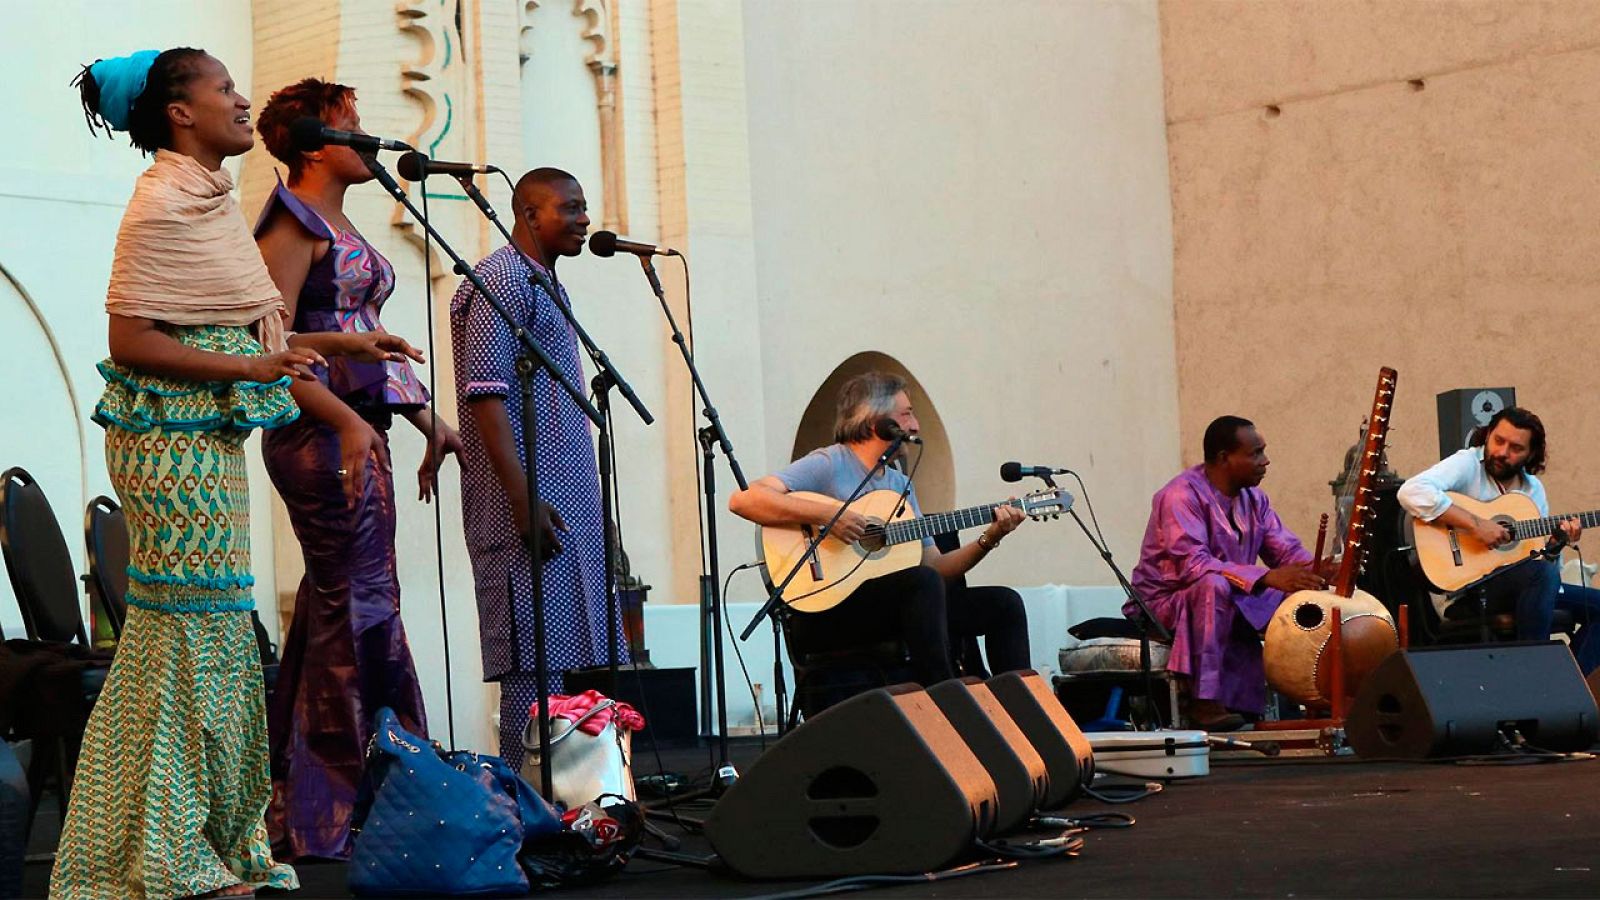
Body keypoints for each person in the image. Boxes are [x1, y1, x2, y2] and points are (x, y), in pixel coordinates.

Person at [56, 47, 414, 899]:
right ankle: (174, 856)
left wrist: (337, 360)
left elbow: (250, 338)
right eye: (223, 89)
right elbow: (133, 342)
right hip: (167, 445)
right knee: (191, 640)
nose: (243, 98)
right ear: (180, 113)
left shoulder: (209, 199)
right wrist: (260, 377)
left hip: (205, 436)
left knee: (204, 642)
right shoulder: (163, 201)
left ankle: (179, 849)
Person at [252, 78, 463, 861]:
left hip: (357, 430)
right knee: (357, 608)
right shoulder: (291, 221)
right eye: (353, 128)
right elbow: (267, 349)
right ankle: (333, 811)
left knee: (344, 606)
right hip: (318, 438)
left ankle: (330, 795)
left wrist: (424, 418)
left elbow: (362, 336)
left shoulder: (340, 219)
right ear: (312, 144)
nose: (368, 141)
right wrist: (343, 420)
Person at [449, 167, 626, 772]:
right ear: (529, 214)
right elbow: (486, 394)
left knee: (564, 663)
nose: (583, 220)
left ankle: (565, 800)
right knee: (530, 666)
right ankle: (521, 803)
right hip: (523, 504)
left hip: (564, 501)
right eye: (570, 208)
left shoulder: (546, 282)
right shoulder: (501, 279)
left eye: (584, 208)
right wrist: (523, 497)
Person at [728, 371, 1029, 689]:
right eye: (906, 414)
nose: (915, 425)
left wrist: (991, 537)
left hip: (891, 611)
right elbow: (745, 499)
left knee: (1003, 604)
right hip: (827, 611)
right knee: (921, 584)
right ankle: (946, 697)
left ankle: (1023, 713)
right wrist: (831, 514)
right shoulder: (830, 464)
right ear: (877, 422)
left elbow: (936, 568)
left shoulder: (899, 483)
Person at [1128, 415, 1326, 730]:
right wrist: (1265, 577)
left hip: (1232, 593)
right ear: (1224, 458)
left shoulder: (1255, 499)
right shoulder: (1179, 496)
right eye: (1255, 453)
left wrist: (1323, 569)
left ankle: (1316, 695)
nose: (1266, 461)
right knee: (1213, 587)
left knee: (1302, 591)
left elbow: (1287, 555)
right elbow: (1193, 565)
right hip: (1165, 604)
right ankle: (1204, 701)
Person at [1397, 406, 1600, 673]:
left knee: (1576, 593)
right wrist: (1475, 524)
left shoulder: (1532, 490)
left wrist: (1554, 545)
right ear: (1488, 435)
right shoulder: (1467, 464)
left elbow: (1541, 561)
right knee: (1542, 577)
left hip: (1520, 585)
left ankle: (1567, 683)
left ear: (1531, 454)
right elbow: (1411, 491)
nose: (1503, 452)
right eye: (1498, 440)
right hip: (1465, 589)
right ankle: (1530, 673)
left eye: (1516, 448)